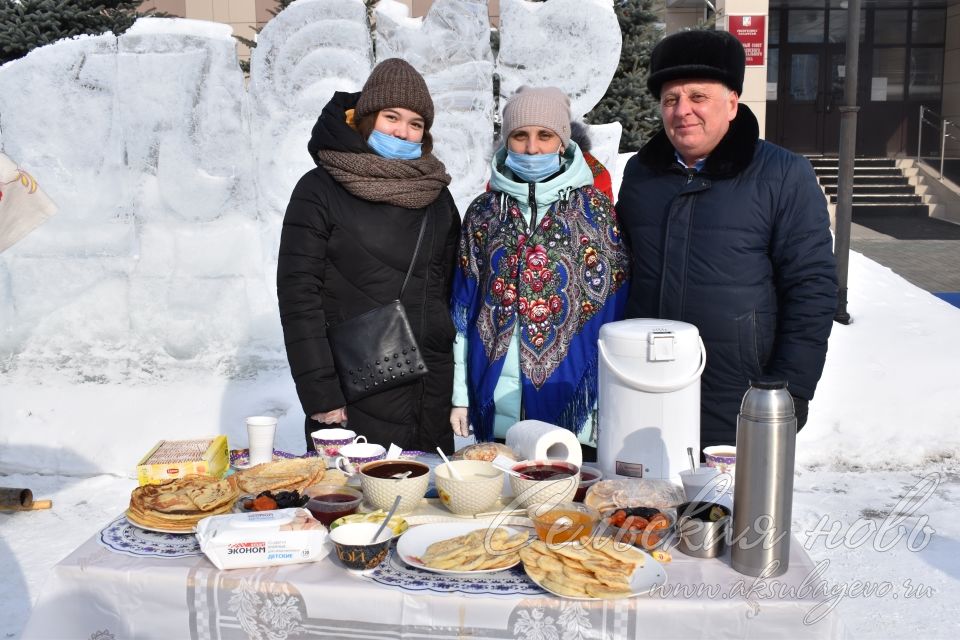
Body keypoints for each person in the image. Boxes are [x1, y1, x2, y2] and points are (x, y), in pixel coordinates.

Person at [616, 30, 838, 450]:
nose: (682, 111)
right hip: (643, 387)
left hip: (738, 394)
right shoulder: (641, 175)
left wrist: (790, 387)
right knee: (643, 510)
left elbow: (811, 287)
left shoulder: (782, 174)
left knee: (727, 512)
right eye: (670, 99)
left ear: (732, 103)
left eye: (698, 97)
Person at [277, 58, 461, 454]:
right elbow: (298, 298)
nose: (403, 131)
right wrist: (321, 393)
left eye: (416, 123)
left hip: (429, 387)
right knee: (350, 507)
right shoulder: (320, 190)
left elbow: (447, 290)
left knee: (426, 507)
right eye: (391, 117)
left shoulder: (435, 194)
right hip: (352, 391)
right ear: (366, 117)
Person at [449, 86, 631, 454]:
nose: (532, 148)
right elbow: (464, 312)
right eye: (520, 135)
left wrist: (601, 405)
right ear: (506, 142)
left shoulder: (596, 212)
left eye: (545, 135)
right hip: (496, 404)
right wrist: (460, 396)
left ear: (562, 142)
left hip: (572, 411)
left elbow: (613, 316)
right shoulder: (484, 213)